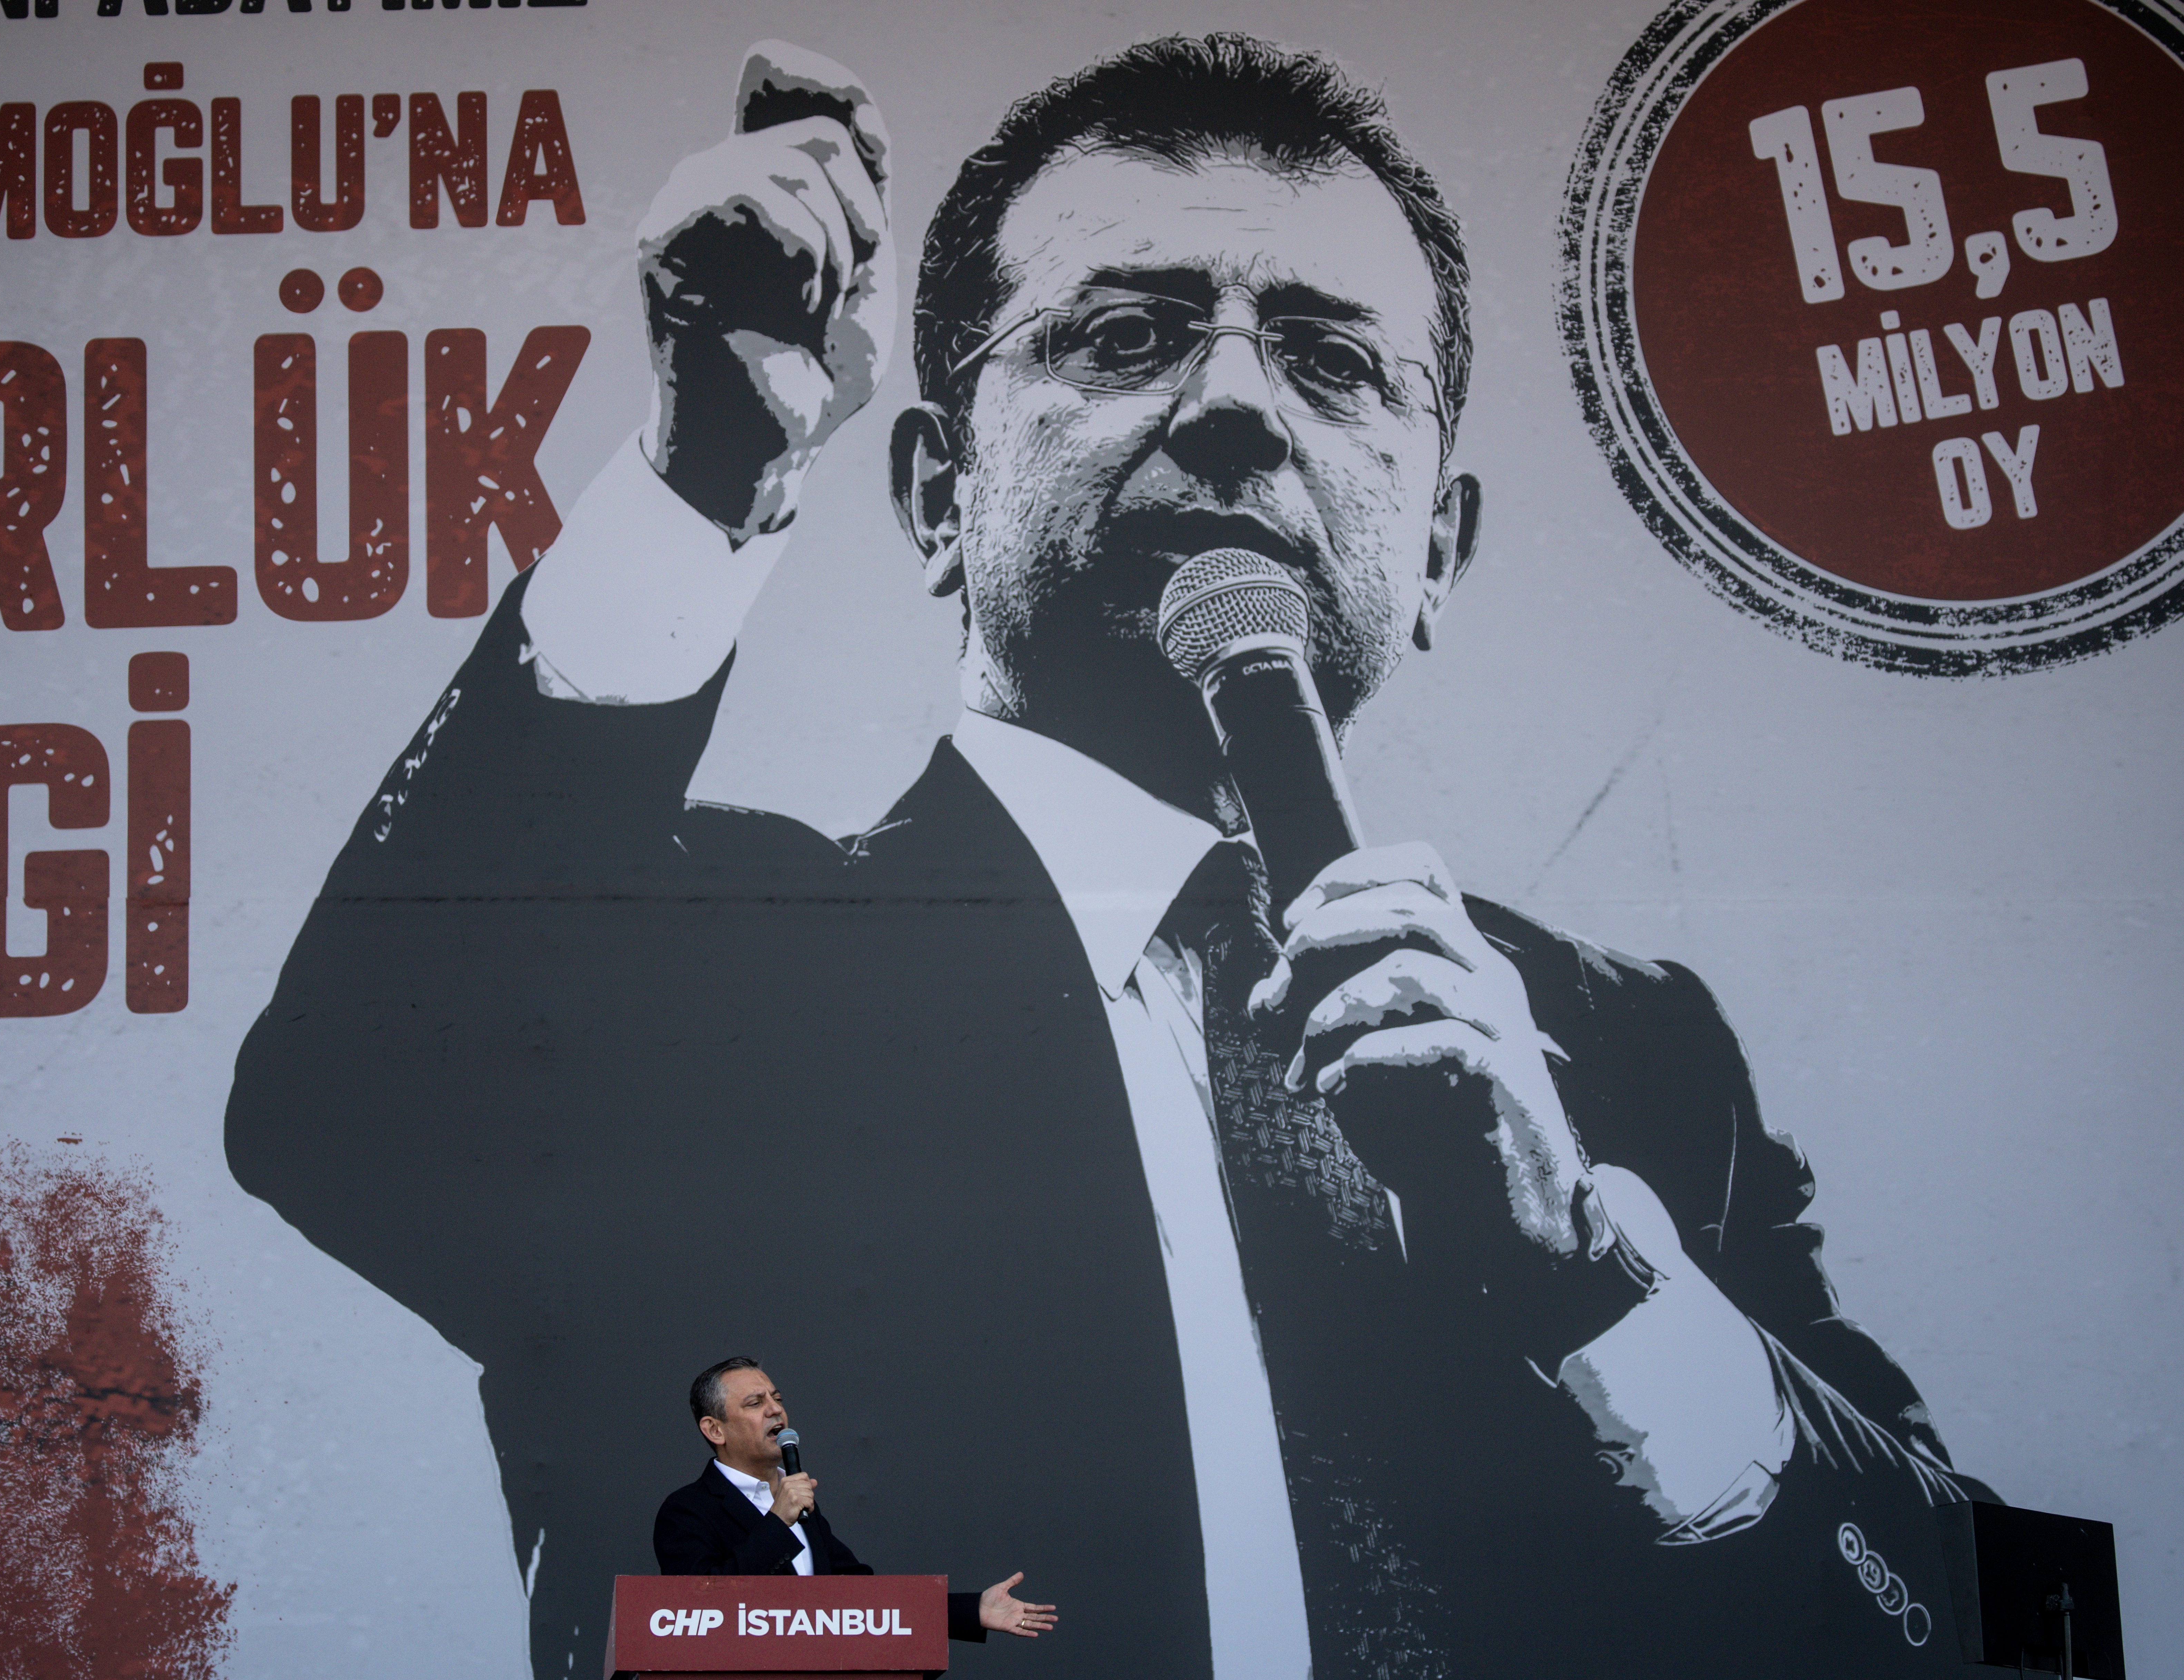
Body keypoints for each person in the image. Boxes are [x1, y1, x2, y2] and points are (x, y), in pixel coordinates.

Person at [225, 33, 1988, 1678]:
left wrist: (1590, 1279)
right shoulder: (698, 968)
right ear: (932, 492)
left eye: (1327, 360)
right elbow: (357, 1108)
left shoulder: (1630, 1061)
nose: (1232, 410)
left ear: (1433, 546)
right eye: (1125, 333)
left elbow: (1947, 1622)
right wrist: (704, 476)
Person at [654, 1357, 1057, 1646]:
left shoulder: (799, 1503)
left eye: (776, 1398)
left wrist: (972, 1611)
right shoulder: (688, 1510)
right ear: (715, 1429)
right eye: (755, 1403)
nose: (776, 1409)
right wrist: (778, 1522)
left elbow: (860, 1599)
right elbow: (696, 1613)